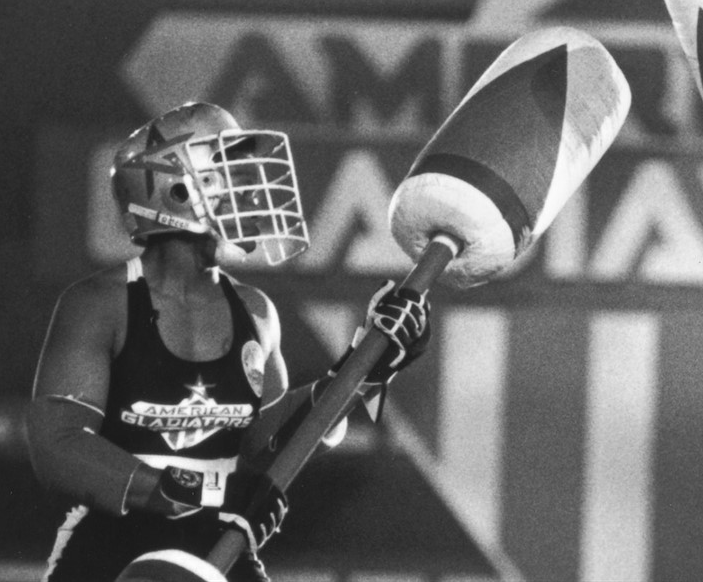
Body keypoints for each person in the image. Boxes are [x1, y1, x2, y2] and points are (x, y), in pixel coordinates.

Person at [26, 102, 431, 581]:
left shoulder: (256, 312)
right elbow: (57, 445)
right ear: (173, 189)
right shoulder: (100, 304)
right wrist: (204, 492)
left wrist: (364, 370)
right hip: (114, 544)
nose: (246, 184)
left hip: (216, 540)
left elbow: (269, 446)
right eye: (227, 170)